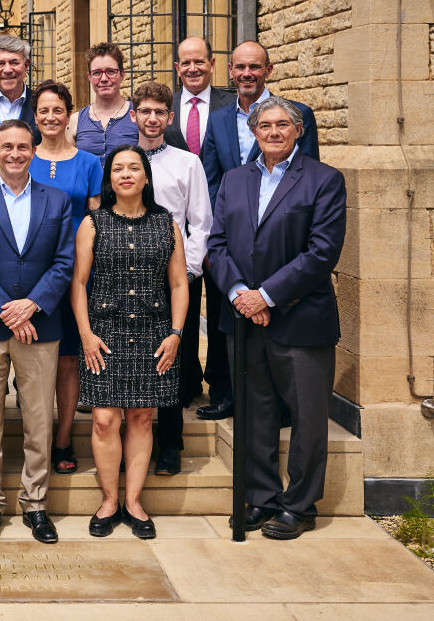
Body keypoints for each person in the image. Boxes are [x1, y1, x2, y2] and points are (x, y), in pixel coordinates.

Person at [207, 96, 346, 540]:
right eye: (264, 125)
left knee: (306, 416)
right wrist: (239, 295)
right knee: (255, 413)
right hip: (243, 319)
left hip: (300, 319)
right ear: (253, 131)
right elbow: (217, 244)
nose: (272, 132)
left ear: (298, 130)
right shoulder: (234, 179)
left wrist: (266, 296)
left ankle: (300, 505)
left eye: (282, 124)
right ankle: (262, 498)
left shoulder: (324, 180)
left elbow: (321, 252)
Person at [0, 120, 75, 546]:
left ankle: (36, 503)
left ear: (33, 150)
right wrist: (8, 311)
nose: (15, 154)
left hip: (40, 325)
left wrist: (32, 305)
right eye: (7, 146)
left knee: (39, 417)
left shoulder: (56, 200)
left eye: (23, 146)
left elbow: (64, 262)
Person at [198, 39, 319, 421]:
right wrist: (223, 231)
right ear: (230, 72)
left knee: (278, 312)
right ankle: (229, 393)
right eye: (240, 68)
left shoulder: (297, 114)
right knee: (226, 315)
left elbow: (308, 176)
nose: (247, 74)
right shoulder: (218, 119)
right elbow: (212, 178)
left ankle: (280, 400)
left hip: (282, 240)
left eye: (255, 67)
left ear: (267, 70)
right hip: (232, 238)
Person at [72, 144, 188, 540]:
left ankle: (134, 502)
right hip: (104, 333)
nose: (126, 174)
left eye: (133, 168)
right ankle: (109, 500)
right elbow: (79, 283)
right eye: (118, 168)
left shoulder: (166, 223)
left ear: (146, 177)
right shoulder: (93, 223)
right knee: (105, 419)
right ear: (109, 179)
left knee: (141, 416)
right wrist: (85, 334)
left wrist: (176, 334)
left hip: (153, 334)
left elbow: (178, 283)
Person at [130, 81, 212, 476]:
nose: (151, 118)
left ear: (169, 117)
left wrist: (188, 271)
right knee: (134, 357)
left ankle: (170, 443)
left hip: (175, 277)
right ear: (134, 116)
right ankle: (134, 441)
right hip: (128, 275)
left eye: (159, 112)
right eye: (144, 111)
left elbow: (201, 223)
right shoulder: (122, 160)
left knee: (171, 358)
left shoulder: (186, 162)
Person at [26, 80, 102, 476]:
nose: (51, 117)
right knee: (32, 360)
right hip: (28, 273)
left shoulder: (89, 163)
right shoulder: (24, 157)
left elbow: (94, 218)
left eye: (58, 110)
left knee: (68, 360)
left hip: (73, 272)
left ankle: (63, 437)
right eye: (43, 111)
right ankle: (34, 436)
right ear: (34, 116)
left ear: (68, 114)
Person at [162, 36, 236, 424]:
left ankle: (223, 389)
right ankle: (186, 381)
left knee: (222, 310)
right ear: (177, 67)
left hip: (223, 230)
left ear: (212, 63)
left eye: (199, 62)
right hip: (176, 231)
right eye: (184, 62)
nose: (192, 68)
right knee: (182, 311)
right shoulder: (166, 109)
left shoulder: (231, 106)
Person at [68, 42, 138, 165]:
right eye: (97, 73)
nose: (104, 79)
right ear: (89, 77)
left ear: (122, 75)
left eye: (111, 72)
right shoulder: (75, 120)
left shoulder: (138, 116)